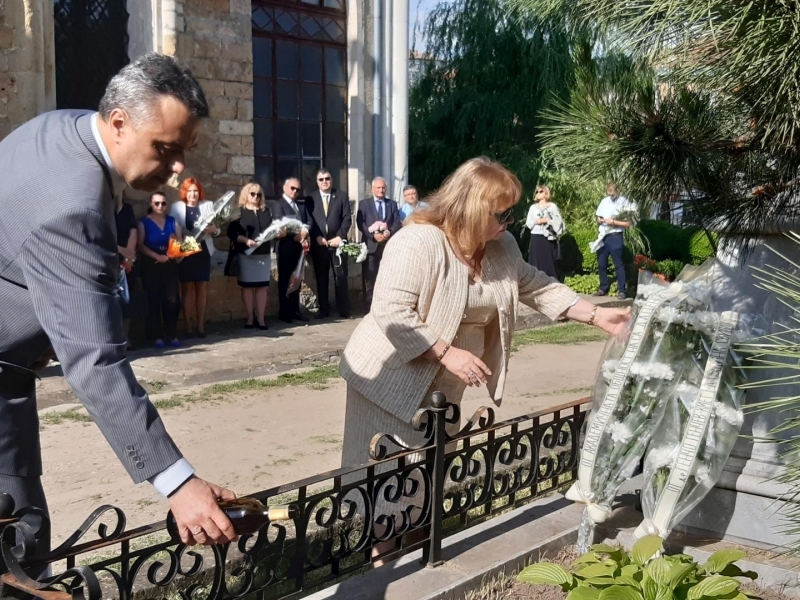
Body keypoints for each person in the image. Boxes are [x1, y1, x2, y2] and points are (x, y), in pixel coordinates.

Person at [0, 53, 238, 561]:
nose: (177, 171)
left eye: (185, 152)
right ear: (118, 122)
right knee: (17, 546)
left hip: (11, 367)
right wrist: (178, 484)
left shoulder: (61, 128)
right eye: (166, 150)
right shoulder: (71, 204)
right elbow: (95, 362)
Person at [339, 157, 630, 483]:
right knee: (384, 494)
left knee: (424, 494)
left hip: (442, 393)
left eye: (512, 211)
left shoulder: (502, 246)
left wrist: (597, 315)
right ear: (473, 209)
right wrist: (447, 353)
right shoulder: (417, 241)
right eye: (502, 213)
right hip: (388, 384)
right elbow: (391, 310)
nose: (510, 221)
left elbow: (536, 285)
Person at [170, 177, 219, 338]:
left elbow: (217, 229)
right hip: (187, 249)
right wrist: (181, 233)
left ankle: (200, 325)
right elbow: (172, 227)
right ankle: (188, 325)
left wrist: (213, 230)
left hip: (203, 250)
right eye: (190, 191)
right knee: (187, 287)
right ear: (185, 192)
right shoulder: (177, 207)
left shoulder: (207, 206)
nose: (193, 194)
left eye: (196, 191)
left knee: (201, 287)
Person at [226, 183, 277, 330]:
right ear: (246, 195)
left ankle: (261, 319)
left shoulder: (266, 211)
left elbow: (272, 230)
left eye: (259, 194)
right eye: (252, 194)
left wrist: (278, 232)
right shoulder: (239, 212)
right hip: (246, 255)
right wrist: (245, 240)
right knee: (247, 287)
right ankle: (249, 318)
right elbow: (231, 233)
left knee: (262, 287)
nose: (256, 197)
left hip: (263, 254)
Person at [137, 192, 183, 348]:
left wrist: (176, 249)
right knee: (153, 299)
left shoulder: (172, 221)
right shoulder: (144, 222)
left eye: (163, 203)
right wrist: (156, 255)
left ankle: (172, 332)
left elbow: (180, 242)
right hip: (151, 264)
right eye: (157, 203)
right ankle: (156, 335)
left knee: (172, 300)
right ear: (150, 204)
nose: (160, 206)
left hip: (169, 263)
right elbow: (140, 245)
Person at [306, 169, 352, 320]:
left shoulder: (341, 196)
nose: (324, 181)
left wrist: (340, 236)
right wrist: (316, 237)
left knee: (340, 276)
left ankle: (343, 309)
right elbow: (309, 221)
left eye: (327, 178)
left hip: (337, 244)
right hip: (320, 244)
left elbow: (347, 219)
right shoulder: (311, 198)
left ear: (331, 180)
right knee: (321, 277)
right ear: (317, 182)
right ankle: (324, 309)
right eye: (321, 179)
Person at [356, 177, 402, 307]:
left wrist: (389, 232)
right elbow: (361, 223)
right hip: (370, 246)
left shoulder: (392, 204)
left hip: (387, 246)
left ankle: (385, 304)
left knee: (387, 276)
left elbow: (397, 222)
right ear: (372, 189)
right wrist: (373, 236)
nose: (381, 190)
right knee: (369, 276)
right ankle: (370, 305)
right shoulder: (364, 204)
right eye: (378, 188)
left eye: (383, 188)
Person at [270, 177, 310, 324]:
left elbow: (306, 222)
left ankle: (295, 310)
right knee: (285, 280)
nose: (295, 192)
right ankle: (284, 312)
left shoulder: (299, 206)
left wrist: (304, 233)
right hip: (285, 248)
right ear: (285, 188)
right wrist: (297, 236)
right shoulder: (278, 204)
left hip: (298, 249)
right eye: (292, 188)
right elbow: (281, 224)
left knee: (297, 279)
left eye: (297, 190)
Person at [594, 182, 635, 299]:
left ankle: (622, 290)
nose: (611, 195)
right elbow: (598, 217)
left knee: (618, 264)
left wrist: (613, 222)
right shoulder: (604, 201)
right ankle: (603, 288)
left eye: (612, 192)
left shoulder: (624, 202)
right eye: (609, 192)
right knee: (601, 264)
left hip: (615, 236)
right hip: (603, 236)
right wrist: (601, 220)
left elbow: (628, 223)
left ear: (618, 191)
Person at [525, 185, 564, 279]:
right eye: (537, 192)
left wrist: (548, 221)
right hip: (536, 236)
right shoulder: (533, 208)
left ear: (546, 193)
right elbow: (528, 223)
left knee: (549, 259)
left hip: (548, 236)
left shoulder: (552, 206)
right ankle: (536, 280)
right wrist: (537, 221)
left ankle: (551, 281)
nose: (538, 193)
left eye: (541, 191)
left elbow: (558, 221)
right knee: (536, 260)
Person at [116, 200, 140, 351]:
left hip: (127, 264)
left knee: (127, 300)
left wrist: (128, 258)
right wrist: (121, 253)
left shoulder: (127, 208)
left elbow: (133, 232)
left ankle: (125, 337)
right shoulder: (103, 207)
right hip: (109, 259)